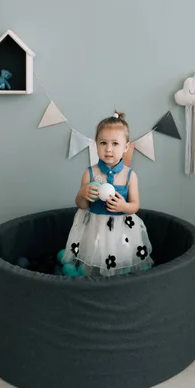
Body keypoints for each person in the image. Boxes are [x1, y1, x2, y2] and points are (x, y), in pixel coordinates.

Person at [64, 112, 153, 276]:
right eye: (103, 143)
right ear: (96, 145)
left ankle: (119, 277)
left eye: (115, 144)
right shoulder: (90, 173)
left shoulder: (129, 175)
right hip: (94, 227)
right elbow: (81, 205)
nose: (108, 149)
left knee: (120, 256)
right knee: (93, 256)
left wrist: (123, 206)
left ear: (126, 147)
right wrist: (83, 193)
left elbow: (135, 206)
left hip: (122, 230)